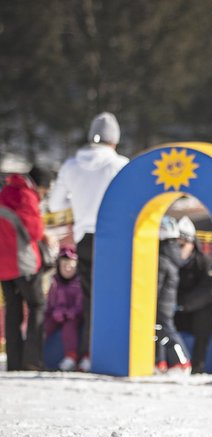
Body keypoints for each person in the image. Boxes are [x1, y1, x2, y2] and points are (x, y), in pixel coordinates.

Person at [47, 112, 129, 371]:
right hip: (112, 241)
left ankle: (85, 354)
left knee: (90, 299)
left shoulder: (71, 165)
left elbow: (54, 204)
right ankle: (108, 354)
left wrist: (80, 208)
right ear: (114, 140)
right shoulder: (119, 165)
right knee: (115, 298)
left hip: (83, 239)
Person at [1, 166, 52, 371]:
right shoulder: (26, 196)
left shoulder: (6, 191)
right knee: (37, 305)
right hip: (23, 262)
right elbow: (35, 231)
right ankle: (32, 360)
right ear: (40, 186)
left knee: (13, 310)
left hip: (3, 265)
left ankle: (14, 362)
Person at [173, 216, 212, 374]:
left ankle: (198, 365)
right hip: (175, 309)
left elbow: (208, 290)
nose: (178, 249)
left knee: (204, 320)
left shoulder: (203, 263)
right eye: (174, 245)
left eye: (182, 245)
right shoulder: (167, 261)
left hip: (195, 310)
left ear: (191, 244)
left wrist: (184, 304)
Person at [156, 215, 191, 374]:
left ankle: (182, 362)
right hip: (166, 302)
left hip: (162, 303)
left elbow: (156, 283)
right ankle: (160, 362)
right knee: (159, 331)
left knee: (167, 331)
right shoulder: (171, 253)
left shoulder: (162, 257)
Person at [44, 246, 85, 371]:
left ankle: (71, 356)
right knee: (45, 326)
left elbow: (80, 304)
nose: (67, 268)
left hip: (73, 316)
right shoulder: (55, 283)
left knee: (69, 328)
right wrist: (55, 312)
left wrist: (71, 312)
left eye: (71, 266)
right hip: (57, 315)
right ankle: (35, 352)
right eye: (64, 265)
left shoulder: (78, 283)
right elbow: (51, 302)